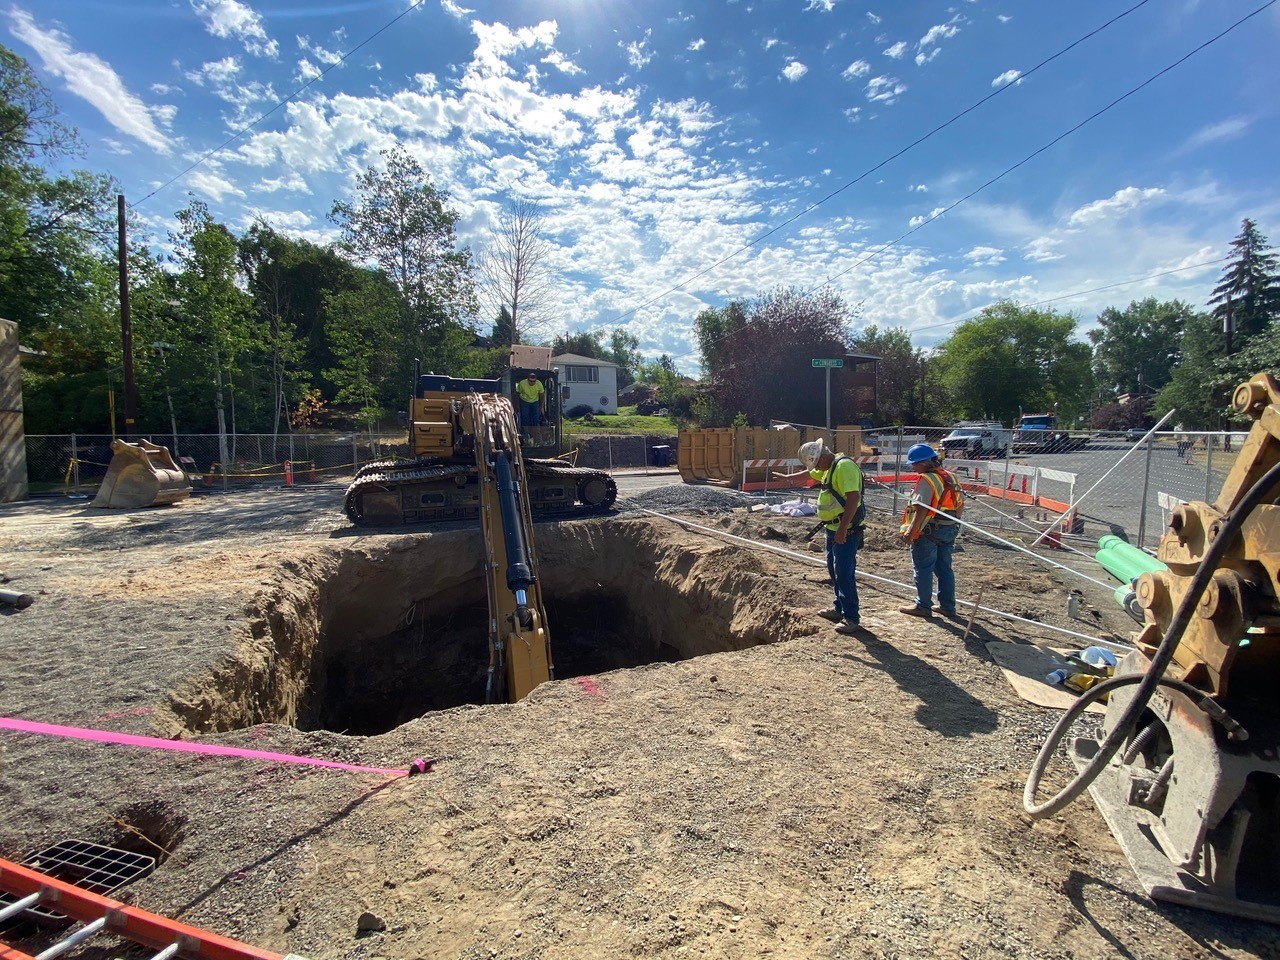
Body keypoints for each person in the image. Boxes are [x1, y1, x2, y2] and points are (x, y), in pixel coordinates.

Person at [773, 440, 866, 635]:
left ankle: (851, 617)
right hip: (833, 528)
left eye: (816, 464)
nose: (816, 469)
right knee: (833, 568)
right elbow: (810, 474)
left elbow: (853, 498)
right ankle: (839, 607)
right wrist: (789, 477)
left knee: (844, 571)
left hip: (845, 529)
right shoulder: (829, 467)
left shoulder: (844, 466)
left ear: (822, 457)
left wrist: (842, 528)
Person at [899, 443, 964, 619]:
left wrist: (911, 532)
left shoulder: (927, 479)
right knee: (944, 569)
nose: (913, 467)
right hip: (949, 527)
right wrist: (956, 526)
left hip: (930, 530)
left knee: (923, 568)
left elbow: (921, 508)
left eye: (915, 463)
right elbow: (959, 503)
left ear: (925, 463)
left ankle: (923, 606)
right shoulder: (950, 477)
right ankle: (947, 606)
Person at [515, 372, 546, 441]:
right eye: (531, 381)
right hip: (524, 401)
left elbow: (542, 395)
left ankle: (538, 437)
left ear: (536, 380)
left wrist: (541, 406)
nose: (532, 383)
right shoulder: (522, 383)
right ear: (527, 379)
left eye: (534, 381)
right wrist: (517, 406)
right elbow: (517, 394)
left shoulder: (539, 384)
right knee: (525, 418)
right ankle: (526, 436)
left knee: (536, 418)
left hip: (535, 402)